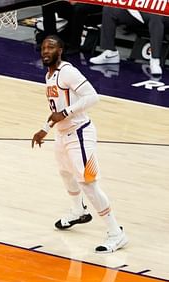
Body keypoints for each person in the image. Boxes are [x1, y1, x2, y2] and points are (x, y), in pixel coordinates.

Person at [32, 35, 128, 253]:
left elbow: (93, 97)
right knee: (65, 173)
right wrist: (45, 129)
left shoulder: (67, 71)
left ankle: (116, 233)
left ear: (61, 50)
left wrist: (65, 113)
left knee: (88, 183)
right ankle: (79, 211)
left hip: (80, 134)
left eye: (51, 47)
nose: (46, 51)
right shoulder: (50, 75)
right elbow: (56, 110)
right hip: (63, 134)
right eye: (44, 47)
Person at [89, 8, 169, 75]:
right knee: (109, 9)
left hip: (163, 13)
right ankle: (110, 52)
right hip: (139, 11)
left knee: (156, 16)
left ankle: (155, 60)